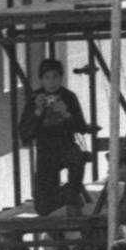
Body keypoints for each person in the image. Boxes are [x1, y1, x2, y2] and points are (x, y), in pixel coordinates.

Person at [16, 57, 95, 214]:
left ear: (61, 78)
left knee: (77, 159)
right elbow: (24, 133)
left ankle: (72, 194)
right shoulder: (35, 99)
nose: (51, 82)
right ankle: (68, 194)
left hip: (66, 146)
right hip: (45, 151)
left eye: (55, 77)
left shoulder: (69, 97)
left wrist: (66, 113)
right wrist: (37, 112)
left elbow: (81, 126)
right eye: (47, 78)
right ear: (41, 80)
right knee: (43, 207)